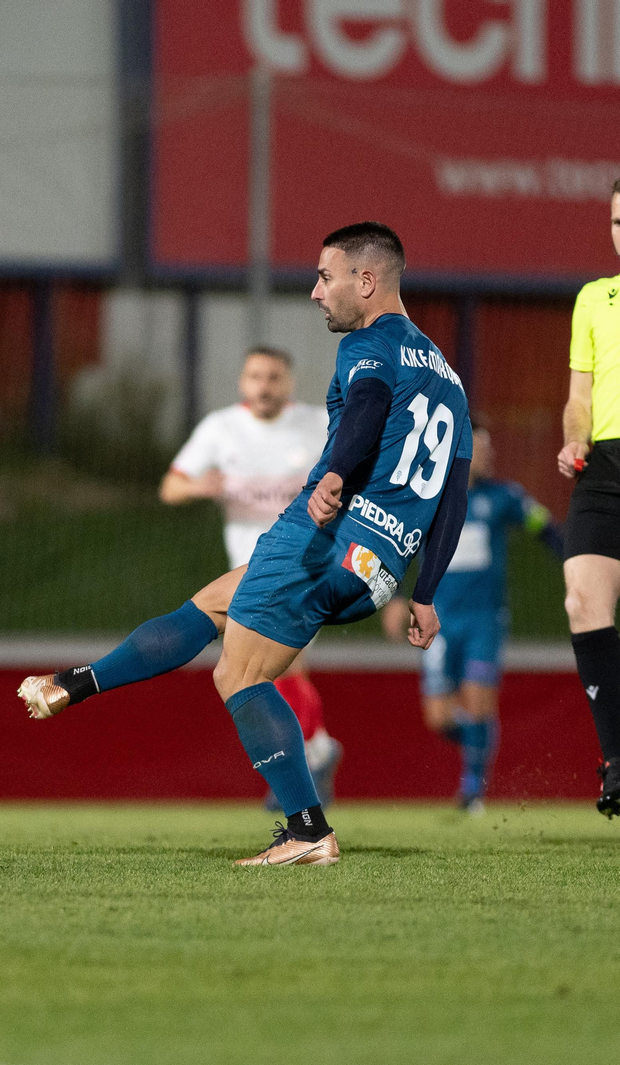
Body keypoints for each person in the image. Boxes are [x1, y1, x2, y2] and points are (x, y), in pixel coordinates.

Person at [18, 222, 472, 866]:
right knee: (210, 607)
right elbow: (453, 495)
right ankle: (75, 683)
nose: (316, 292)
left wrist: (338, 473)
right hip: (378, 566)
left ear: (366, 281)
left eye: (325, 276)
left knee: (239, 675)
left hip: (326, 537)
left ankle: (309, 831)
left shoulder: (373, 345)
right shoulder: (449, 379)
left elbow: (367, 407)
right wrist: (425, 592)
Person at [161, 346, 342, 806]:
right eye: (256, 376)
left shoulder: (318, 423)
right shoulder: (221, 429)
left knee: (278, 666)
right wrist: (201, 485)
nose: (265, 386)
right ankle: (316, 749)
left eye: (274, 377)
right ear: (243, 383)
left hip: (305, 565)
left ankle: (301, 766)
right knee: (261, 673)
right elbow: (171, 486)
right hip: (244, 573)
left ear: (289, 383)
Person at [382, 421, 562, 813]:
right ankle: (481, 742)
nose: (490, 455)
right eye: (482, 447)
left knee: (480, 701)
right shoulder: (427, 499)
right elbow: (396, 545)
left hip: (484, 620)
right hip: (439, 621)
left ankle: (472, 790)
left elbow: (546, 530)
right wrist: (395, 597)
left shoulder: (504, 498)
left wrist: (576, 566)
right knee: (439, 719)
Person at [558, 177, 620, 817]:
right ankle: (618, 762)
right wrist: (574, 440)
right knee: (583, 599)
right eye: (617, 221)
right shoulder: (594, 299)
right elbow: (580, 397)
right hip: (603, 466)